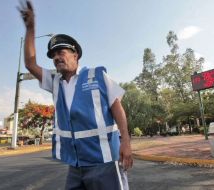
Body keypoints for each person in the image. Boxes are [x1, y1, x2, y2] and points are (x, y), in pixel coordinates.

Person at [18, 1, 133, 190]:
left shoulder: (97, 75)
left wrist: (126, 142)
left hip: (105, 160)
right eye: (53, 55)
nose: (56, 58)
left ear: (75, 55)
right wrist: (30, 28)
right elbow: (31, 64)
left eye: (61, 52)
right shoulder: (55, 82)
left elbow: (117, 107)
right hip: (76, 165)